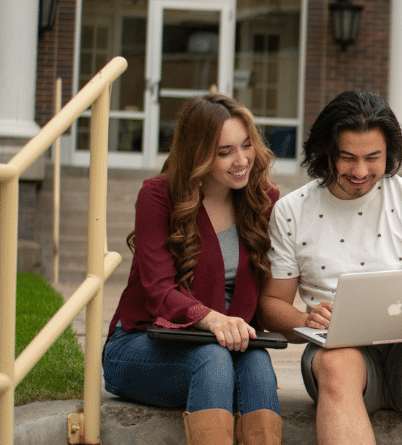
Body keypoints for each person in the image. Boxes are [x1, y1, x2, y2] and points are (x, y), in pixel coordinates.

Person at [259, 91, 402, 445]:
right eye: (347, 158)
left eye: (372, 158)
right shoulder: (291, 212)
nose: (360, 172)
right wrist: (305, 321)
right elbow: (272, 304)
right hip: (338, 354)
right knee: (337, 364)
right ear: (326, 153)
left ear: (389, 154)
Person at [102, 93, 283, 445]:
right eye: (224, 151)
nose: (241, 160)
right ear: (198, 154)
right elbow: (158, 292)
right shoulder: (159, 196)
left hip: (229, 346)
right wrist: (214, 320)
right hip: (143, 344)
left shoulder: (262, 199)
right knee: (213, 360)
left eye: (246, 145)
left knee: (258, 368)